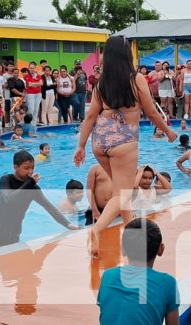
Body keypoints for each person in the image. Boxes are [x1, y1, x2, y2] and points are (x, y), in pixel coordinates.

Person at [74, 36, 177, 254]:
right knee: (122, 194)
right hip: (124, 140)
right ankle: (97, 229)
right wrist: (167, 131)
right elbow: (150, 111)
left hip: (100, 140)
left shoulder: (101, 83)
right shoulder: (136, 79)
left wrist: (81, 146)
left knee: (124, 192)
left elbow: (91, 115)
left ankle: (134, 237)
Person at [0, 150, 78, 248]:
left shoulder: (32, 188)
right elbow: (9, 199)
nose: (30, 171)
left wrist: (68, 224)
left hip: (15, 234)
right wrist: (29, 183)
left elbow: (49, 207)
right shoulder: (6, 180)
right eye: (26, 168)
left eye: (32, 168)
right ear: (15, 167)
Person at [23, 62, 43, 132]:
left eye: (33, 68)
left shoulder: (38, 76)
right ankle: (29, 124)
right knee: (31, 110)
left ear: (35, 68)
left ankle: (34, 125)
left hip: (38, 94)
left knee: (36, 110)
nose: (32, 69)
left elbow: (41, 83)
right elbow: (30, 85)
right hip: (30, 94)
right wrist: (37, 83)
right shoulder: (27, 76)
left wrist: (34, 83)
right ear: (29, 68)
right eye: (30, 68)